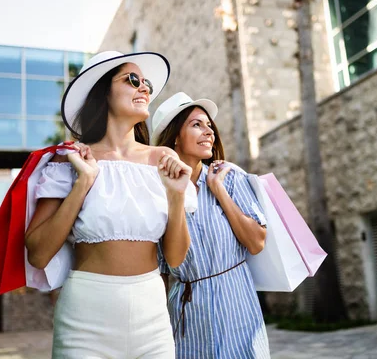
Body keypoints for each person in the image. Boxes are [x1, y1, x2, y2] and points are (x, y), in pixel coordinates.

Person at [25, 51, 192, 358]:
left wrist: (177, 195)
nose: (144, 88)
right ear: (102, 92)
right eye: (132, 79)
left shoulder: (165, 162)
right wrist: (84, 182)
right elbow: (37, 254)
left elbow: (176, 257)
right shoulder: (69, 161)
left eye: (147, 83)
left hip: (152, 317)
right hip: (85, 319)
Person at [152, 92, 271, 358]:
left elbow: (256, 242)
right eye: (197, 125)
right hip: (187, 316)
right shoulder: (157, 194)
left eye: (209, 126)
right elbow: (160, 271)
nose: (209, 132)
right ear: (174, 137)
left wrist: (219, 192)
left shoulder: (230, 178)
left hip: (238, 307)